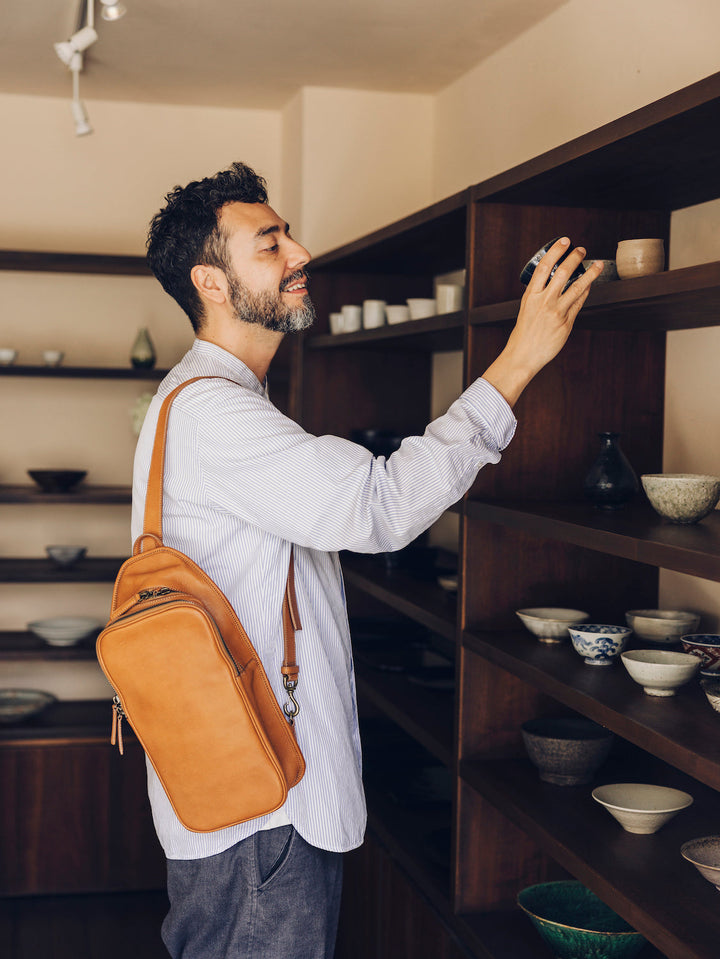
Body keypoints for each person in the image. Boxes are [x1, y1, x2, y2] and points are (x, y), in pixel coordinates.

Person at [135, 161, 603, 958]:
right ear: (210, 281)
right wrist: (518, 359)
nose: (300, 252)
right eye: (270, 243)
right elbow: (382, 508)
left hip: (238, 795)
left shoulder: (208, 400)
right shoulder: (216, 412)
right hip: (264, 813)